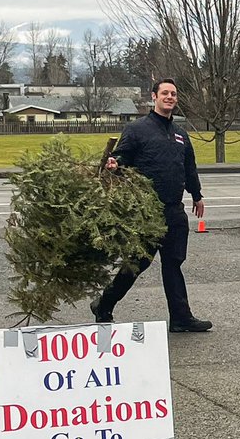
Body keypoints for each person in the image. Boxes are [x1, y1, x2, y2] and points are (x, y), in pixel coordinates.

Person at [91, 78, 212, 333]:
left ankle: (180, 318)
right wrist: (115, 164)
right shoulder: (137, 130)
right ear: (154, 97)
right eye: (165, 93)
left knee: (174, 263)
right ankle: (104, 304)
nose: (170, 97)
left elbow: (188, 166)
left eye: (174, 94)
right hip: (146, 212)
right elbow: (121, 157)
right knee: (138, 263)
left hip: (174, 209)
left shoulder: (180, 134)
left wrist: (197, 194)